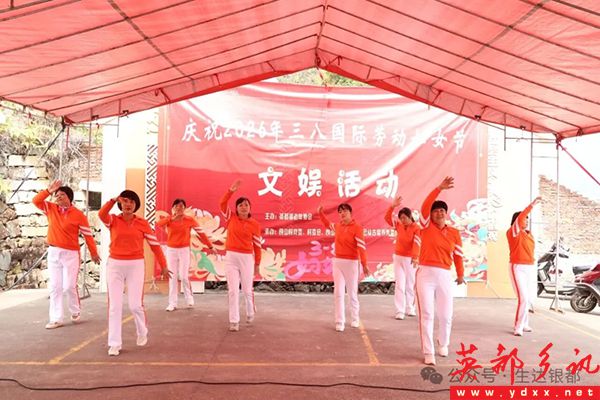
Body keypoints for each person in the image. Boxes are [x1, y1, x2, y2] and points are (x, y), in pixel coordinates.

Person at [99, 190, 170, 356]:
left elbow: (155, 246)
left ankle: (142, 330)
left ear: (135, 205)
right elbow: (101, 214)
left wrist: (164, 265)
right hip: (115, 265)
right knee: (114, 306)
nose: (128, 204)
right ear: (120, 203)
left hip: (135, 265)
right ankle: (114, 343)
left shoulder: (142, 223)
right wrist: (113, 199)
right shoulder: (113, 220)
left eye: (131, 202)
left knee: (135, 305)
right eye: (125, 201)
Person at [32, 179, 100, 329]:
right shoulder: (50, 208)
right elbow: (36, 201)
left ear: (69, 197)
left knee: (69, 286)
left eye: (61, 194)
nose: (58, 197)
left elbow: (88, 236)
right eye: (56, 195)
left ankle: (75, 310)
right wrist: (48, 191)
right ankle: (56, 318)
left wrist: (94, 253)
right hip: (54, 252)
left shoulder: (78, 215)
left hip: (71, 254)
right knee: (55, 286)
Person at [416, 177, 465, 366]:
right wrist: (439, 188)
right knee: (427, 314)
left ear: (446, 213)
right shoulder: (425, 227)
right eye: (435, 211)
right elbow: (424, 206)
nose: (439, 213)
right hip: (425, 274)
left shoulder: (454, 233)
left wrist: (460, 274)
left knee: (445, 315)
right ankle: (428, 352)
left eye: (442, 211)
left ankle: (443, 343)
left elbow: (458, 255)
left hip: (444, 274)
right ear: (431, 214)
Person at [318, 203, 369, 332]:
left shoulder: (357, 228)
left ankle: (355, 318)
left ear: (350, 213)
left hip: (352, 263)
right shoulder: (337, 226)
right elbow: (327, 224)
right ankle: (339, 321)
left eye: (345, 211)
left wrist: (364, 264)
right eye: (340, 212)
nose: (342, 213)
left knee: (352, 292)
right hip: (338, 262)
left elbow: (361, 247)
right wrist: (320, 213)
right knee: (338, 292)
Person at [157, 198, 215, 312]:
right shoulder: (169, 219)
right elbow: (159, 224)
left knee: (184, 276)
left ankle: (189, 297)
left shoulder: (189, 220)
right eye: (177, 206)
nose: (179, 208)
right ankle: (172, 303)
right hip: (171, 250)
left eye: (181, 206)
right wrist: (171, 218)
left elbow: (201, 233)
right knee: (172, 277)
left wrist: (210, 246)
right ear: (173, 208)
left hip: (184, 250)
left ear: (184, 208)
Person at [219, 180, 262, 332]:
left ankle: (250, 311)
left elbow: (257, 245)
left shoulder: (254, 224)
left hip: (246, 258)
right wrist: (231, 190)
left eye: (246, 205)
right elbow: (222, 204)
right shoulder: (230, 218)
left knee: (247, 289)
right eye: (240, 205)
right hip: (231, 257)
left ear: (250, 208)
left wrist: (257, 264)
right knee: (233, 290)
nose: (243, 207)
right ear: (236, 208)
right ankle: (234, 320)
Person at [507, 196, 542, 337]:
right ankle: (518, 326)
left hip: (530, 267)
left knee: (529, 298)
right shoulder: (513, 232)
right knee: (523, 298)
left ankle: (525, 323)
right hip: (517, 267)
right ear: (517, 221)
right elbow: (521, 217)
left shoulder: (529, 235)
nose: (526, 221)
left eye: (527, 220)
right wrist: (531, 205)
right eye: (524, 219)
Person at [384, 196, 421, 320]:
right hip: (398, 258)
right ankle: (400, 310)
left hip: (410, 260)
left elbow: (417, 243)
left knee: (410, 284)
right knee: (400, 284)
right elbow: (387, 218)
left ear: (410, 217)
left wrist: (415, 257)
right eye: (401, 218)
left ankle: (410, 308)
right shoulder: (399, 225)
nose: (403, 220)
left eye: (405, 218)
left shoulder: (416, 228)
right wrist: (392, 206)